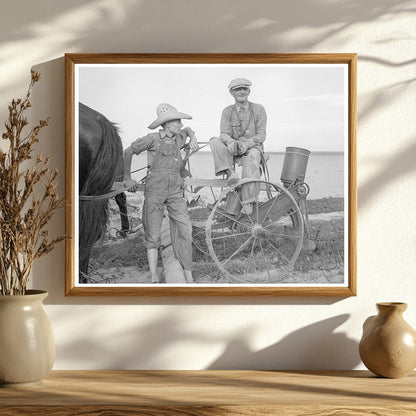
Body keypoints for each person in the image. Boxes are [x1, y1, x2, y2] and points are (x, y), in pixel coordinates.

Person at [124, 103, 199, 284]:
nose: (181, 125)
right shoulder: (151, 139)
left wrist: (193, 137)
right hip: (154, 192)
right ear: (167, 124)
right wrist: (127, 178)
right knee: (154, 235)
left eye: (180, 122)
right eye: (177, 122)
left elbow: (188, 128)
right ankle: (154, 277)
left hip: (175, 191)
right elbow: (127, 152)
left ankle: (188, 275)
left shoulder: (179, 138)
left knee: (186, 231)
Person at [210, 78, 267, 215]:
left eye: (244, 89)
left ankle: (248, 202)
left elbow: (261, 135)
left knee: (253, 155)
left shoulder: (259, 109)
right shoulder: (227, 111)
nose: (241, 92)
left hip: (252, 147)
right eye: (237, 89)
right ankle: (230, 173)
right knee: (214, 141)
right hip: (234, 148)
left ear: (249, 91)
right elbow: (223, 133)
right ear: (231, 93)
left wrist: (246, 144)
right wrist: (231, 143)